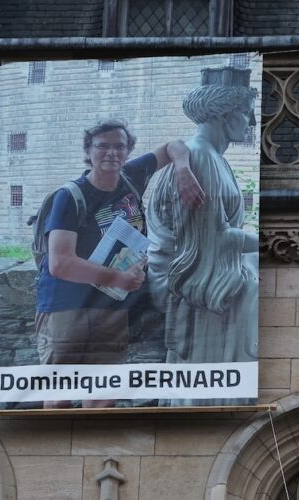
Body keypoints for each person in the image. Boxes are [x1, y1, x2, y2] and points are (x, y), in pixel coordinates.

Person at [37, 119, 202, 409]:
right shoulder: (69, 196)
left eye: (119, 146)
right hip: (66, 307)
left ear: (128, 151)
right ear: (88, 152)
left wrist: (183, 169)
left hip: (111, 308)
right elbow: (60, 263)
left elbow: (174, 146)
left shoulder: (133, 176)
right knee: (59, 396)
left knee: (102, 397)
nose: (112, 153)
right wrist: (118, 278)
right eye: (102, 146)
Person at [145, 67, 260, 406]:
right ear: (224, 114)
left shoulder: (208, 157)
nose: (251, 121)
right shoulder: (202, 159)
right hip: (197, 286)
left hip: (207, 271)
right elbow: (212, 242)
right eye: (245, 112)